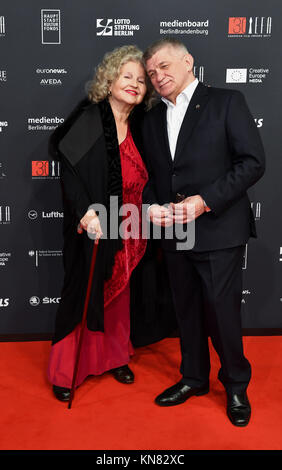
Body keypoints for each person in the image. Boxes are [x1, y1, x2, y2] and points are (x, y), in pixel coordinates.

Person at [141, 38, 265, 426]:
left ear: (188, 61)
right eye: (151, 73)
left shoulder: (226, 102)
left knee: (222, 313)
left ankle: (235, 385)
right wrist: (150, 205)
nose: (158, 76)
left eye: (163, 66)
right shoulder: (150, 119)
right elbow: (151, 176)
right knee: (187, 311)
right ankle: (193, 377)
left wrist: (204, 201)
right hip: (175, 233)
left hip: (217, 227)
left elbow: (252, 162)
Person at [47, 45, 175, 401]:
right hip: (97, 224)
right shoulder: (92, 117)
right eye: (126, 76)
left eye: (140, 79)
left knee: (120, 298)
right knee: (85, 295)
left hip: (133, 227)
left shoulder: (140, 124)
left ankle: (116, 358)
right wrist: (85, 210)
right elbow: (69, 168)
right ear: (110, 80)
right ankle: (65, 370)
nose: (134, 84)